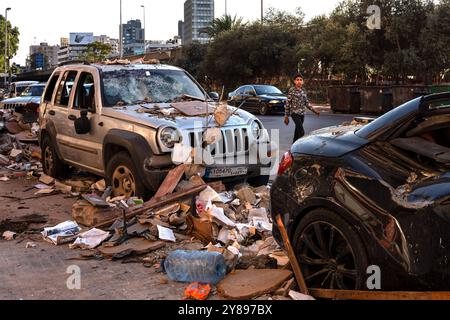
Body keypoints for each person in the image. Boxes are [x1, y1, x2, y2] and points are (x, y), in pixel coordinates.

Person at [284, 74, 320, 143]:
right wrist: (286, 116)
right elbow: (288, 103)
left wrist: (314, 111)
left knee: (297, 132)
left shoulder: (303, 90)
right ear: (294, 81)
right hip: (294, 113)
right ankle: (301, 148)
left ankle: (293, 146)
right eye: (297, 80)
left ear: (303, 81)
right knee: (301, 132)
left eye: (301, 80)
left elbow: (306, 103)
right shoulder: (291, 90)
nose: (299, 81)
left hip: (302, 114)